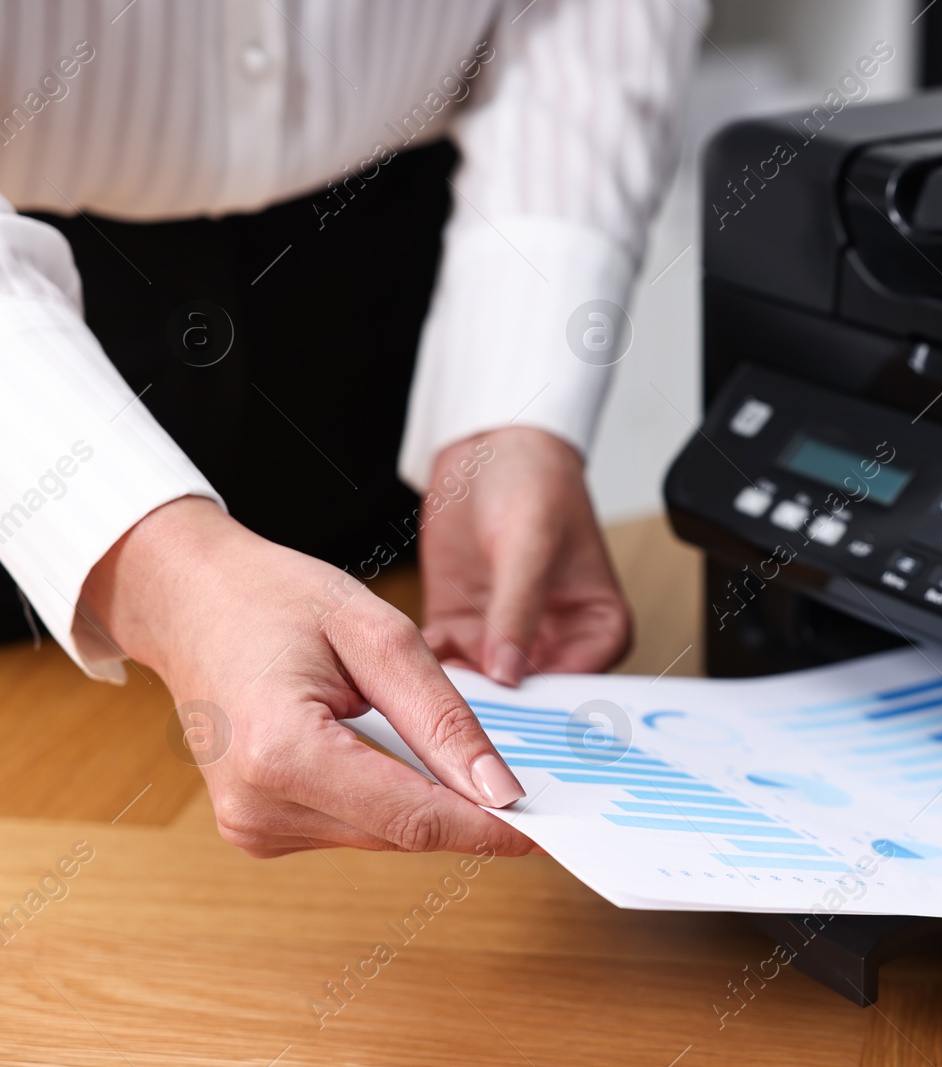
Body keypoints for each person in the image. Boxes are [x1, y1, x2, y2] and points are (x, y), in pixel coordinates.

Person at [0, 0, 705, 858]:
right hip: (31, 361)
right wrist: (150, 561)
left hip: (379, 280)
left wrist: (511, 390)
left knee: (383, 722)